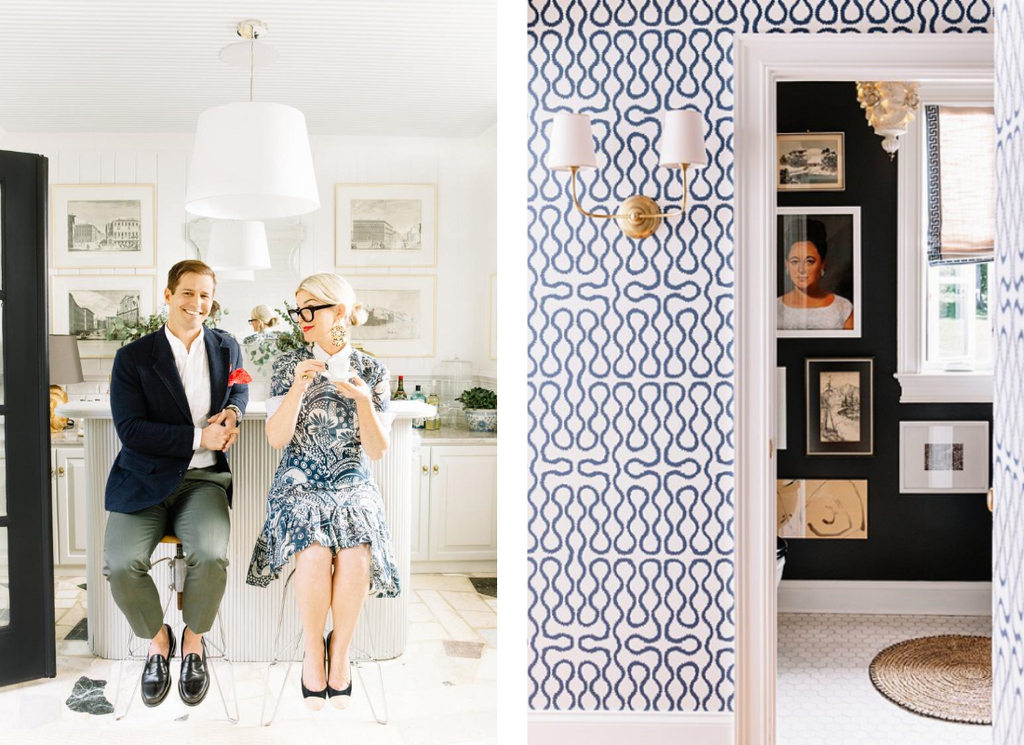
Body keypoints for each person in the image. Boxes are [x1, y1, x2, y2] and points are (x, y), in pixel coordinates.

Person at [246, 272, 398, 711]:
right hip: (298, 480)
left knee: (356, 553)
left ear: (341, 312)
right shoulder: (286, 366)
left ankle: (341, 652)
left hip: (353, 481)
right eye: (298, 309)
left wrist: (364, 401)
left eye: (311, 308)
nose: (302, 318)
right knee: (312, 553)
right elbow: (276, 439)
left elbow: (376, 449)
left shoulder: (372, 370)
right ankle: (314, 652)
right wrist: (297, 386)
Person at [102, 260, 248, 708]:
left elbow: (239, 387)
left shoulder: (227, 347)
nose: (197, 304)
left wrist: (234, 413)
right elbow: (131, 430)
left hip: (201, 481)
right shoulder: (133, 357)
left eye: (205, 295)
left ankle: (194, 641)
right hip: (142, 480)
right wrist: (197, 436)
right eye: (188, 293)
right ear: (167, 295)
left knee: (211, 553)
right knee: (121, 564)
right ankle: (157, 638)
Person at [777, 218, 854, 330]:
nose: (801, 269)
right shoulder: (773, 308)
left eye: (809, 261)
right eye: (795, 261)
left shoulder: (843, 307)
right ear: (787, 265)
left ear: (822, 264)